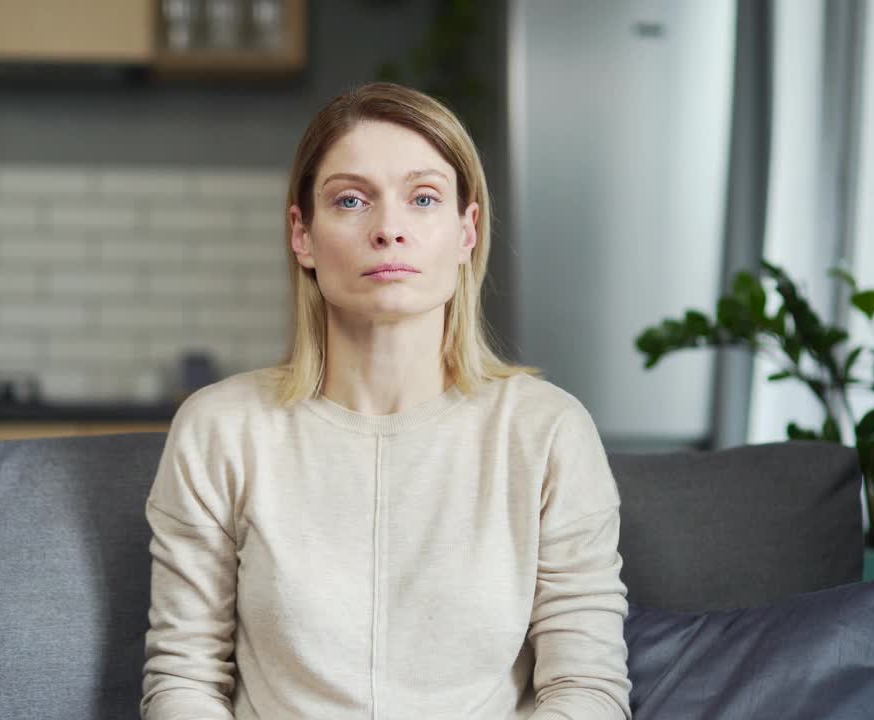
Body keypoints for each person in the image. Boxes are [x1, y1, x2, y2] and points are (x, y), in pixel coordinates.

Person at [140, 82, 632, 720]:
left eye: (423, 198)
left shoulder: (548, 431)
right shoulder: (219, 428)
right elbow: (184, 680)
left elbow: (586, 690)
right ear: (303, 234)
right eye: (351, 200)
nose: (389, 229)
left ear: (466, 231)